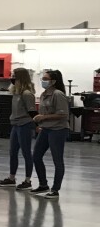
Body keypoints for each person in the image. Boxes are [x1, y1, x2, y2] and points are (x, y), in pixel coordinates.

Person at [0, 68, 36, 189]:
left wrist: (37, 126)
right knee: (13, 152)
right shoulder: (16, 92)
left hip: (25, 125)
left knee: (26, 153)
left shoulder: (27, 94)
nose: (12, 78)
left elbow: (32, 111)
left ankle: (28, 180)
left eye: (14, 76)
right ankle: (11, 178)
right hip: (16, 124)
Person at [32, 69, 69, 198]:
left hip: (58, 130)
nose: (43, 81)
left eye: (46, 79)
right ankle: (43, 184)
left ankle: (55, 189)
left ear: (53, 81)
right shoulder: (43, 94)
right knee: (36, 156)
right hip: (45, 129)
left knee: (57, 159)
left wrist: (43, 118)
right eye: (43, 78)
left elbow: (63, 114)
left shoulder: (58, 94)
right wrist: (40, 124)